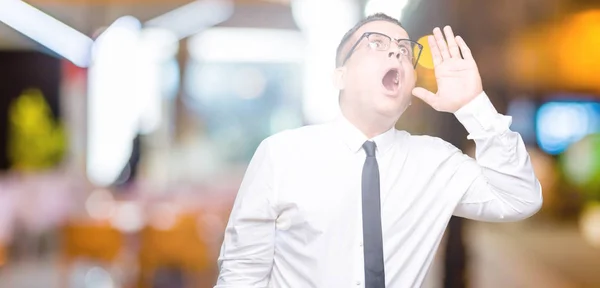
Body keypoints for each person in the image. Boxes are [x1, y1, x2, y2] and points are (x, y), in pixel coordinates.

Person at [214, 13, 542, 288]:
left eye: (404, 49)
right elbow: (242, 272)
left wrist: (474, 106)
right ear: (339, 76)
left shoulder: (436, 162)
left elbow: (519, 198)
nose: (396, 53)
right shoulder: (281, 154)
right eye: (376, 43)